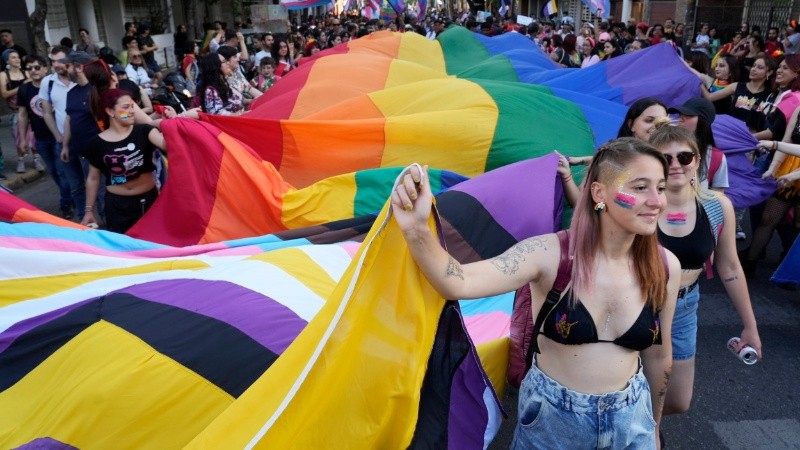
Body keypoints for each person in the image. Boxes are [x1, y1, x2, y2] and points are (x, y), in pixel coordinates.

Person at [392, 140, 680, 449]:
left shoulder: (665, 267)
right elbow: (459, 281)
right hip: (555, 422)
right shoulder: (548, 254)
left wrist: (654, 426)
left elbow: (658, 355)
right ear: (599, 194)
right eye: (640, 188)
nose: (657, 201)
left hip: (632, 420)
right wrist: (417, 228)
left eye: (661, 189)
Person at [647, 125, 761, 438]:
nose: (675, 164)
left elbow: (730, 268)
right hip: (641, 308)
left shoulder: (716, 206)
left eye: (684, 156)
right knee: (651, 411)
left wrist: (750, 326)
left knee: (679, 400)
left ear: (697, 160)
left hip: (684, 308)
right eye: (664, 158)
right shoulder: (640, 204)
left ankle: (636, 423)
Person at [81, 89, 167, 233]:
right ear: (110, 111)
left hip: (149, 202)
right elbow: (93, 178)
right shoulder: (96, 144)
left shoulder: (145, 131)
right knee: (125, 250)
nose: (132, 111)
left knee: (155, 244)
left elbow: (168, 145)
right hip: (117, 207)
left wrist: (173, 121)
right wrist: (89, 211)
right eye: (126, 107)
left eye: (132, 106)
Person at [16, 54, 73, 218]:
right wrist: (23, 139)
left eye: (36, 67)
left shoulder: (54, 84)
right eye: (29, 68)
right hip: (40, 138)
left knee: (62, 172)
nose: (33, 71)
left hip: (59, 136)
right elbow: (22, 115)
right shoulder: (24, 89)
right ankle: (69, 196)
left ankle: (66, 203)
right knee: (54, 172)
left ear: (45, 68)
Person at [668, 98, 729, 192]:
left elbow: (718, 195)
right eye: (680, 115)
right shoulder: (665, 147)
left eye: (688, 115)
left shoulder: (716, 156)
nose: (681, 119)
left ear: (702, 122)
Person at [1, 48, 41, 173]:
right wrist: (22, 86)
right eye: (13, 57)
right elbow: (4, 94)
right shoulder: (3, 75)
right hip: (16, 111)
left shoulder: (26, 73)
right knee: (19, 135)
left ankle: (36, 158)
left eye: (17, 57)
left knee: (34, 135)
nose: (17, 59)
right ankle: (20, 159)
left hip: (30, 108)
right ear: (7, 60)